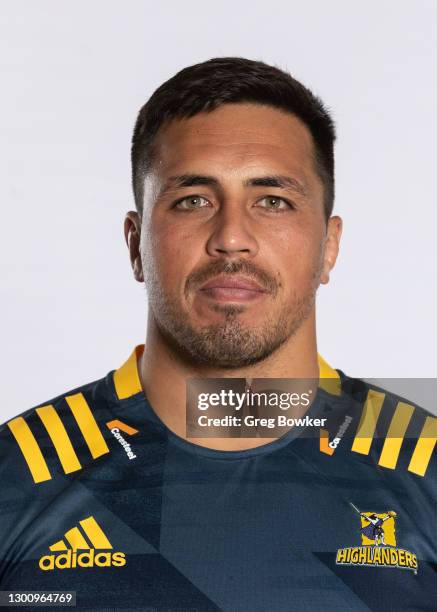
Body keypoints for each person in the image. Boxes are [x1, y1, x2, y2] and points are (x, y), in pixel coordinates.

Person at [0, 57, 436, 612]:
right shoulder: (16, 476)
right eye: (193, 201)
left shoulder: (424, 462)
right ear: (136, 245)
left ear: (328, 247)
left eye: (272, 201)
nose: (232, 238)